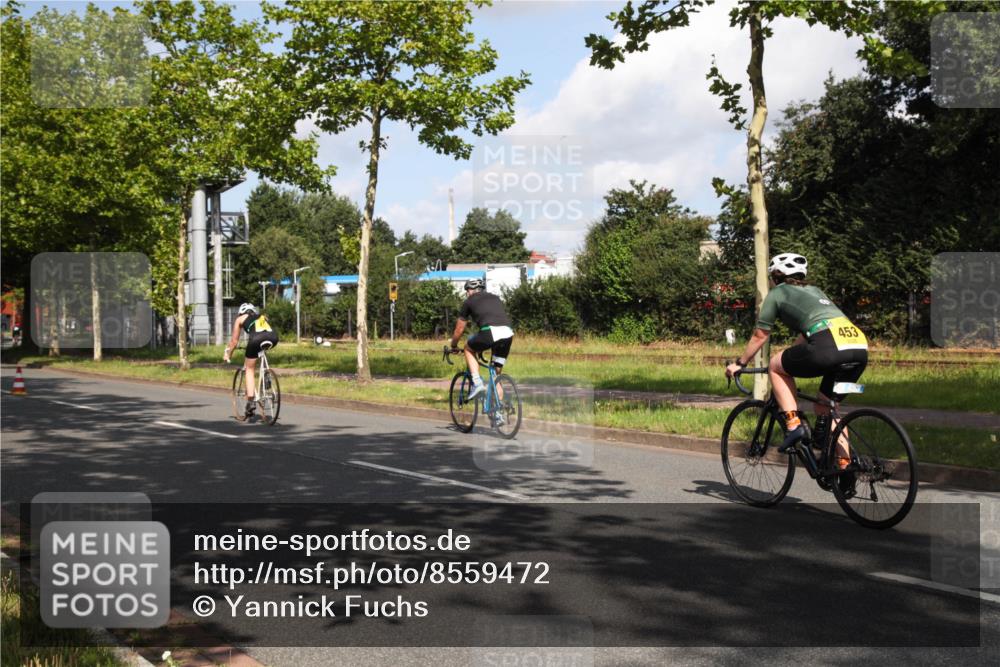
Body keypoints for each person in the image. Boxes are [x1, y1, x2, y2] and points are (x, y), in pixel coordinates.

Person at [725, 253, 868, 495]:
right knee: (827, 408)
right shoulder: (816, 291)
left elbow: (761, 335)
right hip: (858, 349)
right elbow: (809, 332)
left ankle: (793, 426)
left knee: (774, 365)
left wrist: (740, 363)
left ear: (776, 276)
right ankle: (845, 467)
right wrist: (791, 353)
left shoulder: (777, 294)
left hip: (828, 347)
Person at [448, 278, 514, 401]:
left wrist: (453, 345)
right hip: (508, 333)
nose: (467, 294)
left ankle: (477, 384)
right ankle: (498, 413)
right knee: (495, 374)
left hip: (490, 332)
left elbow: (459, 329)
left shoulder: (469, 301)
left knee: (468, 348)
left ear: (470, 290)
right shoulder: (495, 298)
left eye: (467, 291)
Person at [224, 303, 278, 419]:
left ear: (241, 312)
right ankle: (266, 376)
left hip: (256, 339)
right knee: (262, 350)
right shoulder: (261, 316)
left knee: (249, 369)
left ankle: (251, 402)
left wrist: (228, 354)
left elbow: (234, 341)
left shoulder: (240, 318)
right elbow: (264, 331)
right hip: (273, 337)